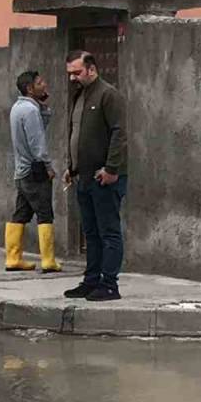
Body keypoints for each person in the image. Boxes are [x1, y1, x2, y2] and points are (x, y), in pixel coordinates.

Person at [62, 51, 127, 301]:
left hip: (105, 177)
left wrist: (111, 169)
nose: (72, 78)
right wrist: (72, 166)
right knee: (90, 232)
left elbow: (119, 135)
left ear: (91, 69)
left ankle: (110, 284)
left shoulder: (108, 95)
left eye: (77, 72)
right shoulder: (80, 96)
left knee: (108, 231)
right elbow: (76, 134)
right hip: (84, 176)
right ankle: (91, 280)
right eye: (70, 73)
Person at [6, 71, 61, 273]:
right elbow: (37, 141)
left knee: (21, 212)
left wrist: (44, 106)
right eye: (40, 82)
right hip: (33, 171)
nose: (44, 84)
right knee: (45, 213)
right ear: (30, 88)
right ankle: (48, 260)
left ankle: (13, 257)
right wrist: (48, 165)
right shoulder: (30, 110)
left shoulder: (19, 107)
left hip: (21, 171)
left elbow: (41, 125)